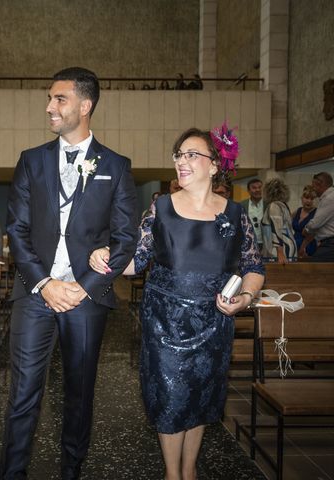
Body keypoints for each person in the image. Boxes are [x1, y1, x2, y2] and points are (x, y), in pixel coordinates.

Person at [90, 126, 264, 480]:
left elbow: (254, 268)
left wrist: (245, 298)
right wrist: (104, 256)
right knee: (170, 399)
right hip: (165, 322)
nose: (181, 162)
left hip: (214, 322)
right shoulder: (162, 207)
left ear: (214, 165)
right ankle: (173, 473)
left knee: (199, 399)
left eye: (190, 155)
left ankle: (190, 468)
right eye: (178, 155)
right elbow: (137, 261)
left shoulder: (235, 214)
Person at [0, 67, 138, 479]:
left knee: (79, 395)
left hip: (85, 298)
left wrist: (83, 286)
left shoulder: (115, 165)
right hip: (34, 293)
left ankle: (71, 472)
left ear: (85, 104)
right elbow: (17, 230)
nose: (50, 107)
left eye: (59, 99)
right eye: (50, 98)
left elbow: (126, 237)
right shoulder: (31, 161)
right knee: (22, 393)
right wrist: (44, 284)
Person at [260, 178, 297, 263]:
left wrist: (280, 253)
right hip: (287, 249)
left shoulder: (274, 206)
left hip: (278, 253)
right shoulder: (284, 206)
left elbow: (276, 229)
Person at [302, 172, 334, 261]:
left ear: (321, 184)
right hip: (326, 242)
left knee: (314, 268)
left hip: (330, 243)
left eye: (314, 186)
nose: (314, 190)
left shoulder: (329, 198)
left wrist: (306, 229)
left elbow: (316, 223)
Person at [240, 178, 266, 251]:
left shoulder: (269, 204)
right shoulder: (242, 205)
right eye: (254, 188)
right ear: (249, 191)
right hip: (248, 243)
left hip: (266, 243)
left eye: (260, 187)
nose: (257, 190)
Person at [292, 185, 318, 257]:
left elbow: (314, 234)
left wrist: (302, 248)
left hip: (308, 245)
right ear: (302, 198)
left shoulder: (316, 213)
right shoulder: (297, 211)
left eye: (312, 199)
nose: (309, 201)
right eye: (306, 198)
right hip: (295, 244)